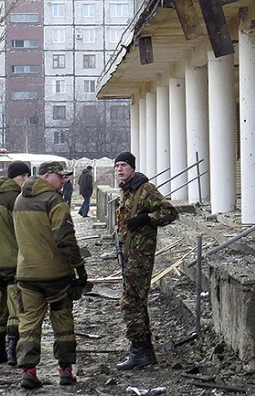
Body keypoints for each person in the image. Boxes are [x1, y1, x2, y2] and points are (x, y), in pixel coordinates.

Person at [13, 161, 89, 389]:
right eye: (61, 176)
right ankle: (65, 371)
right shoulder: (54, 202)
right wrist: (80, 268)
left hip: (27, 274)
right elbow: (65, 239)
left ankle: (28, 372)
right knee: (63, 322)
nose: (64, 180)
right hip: (56, 276)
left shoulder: (19, 199)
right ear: (46, 176)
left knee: (28, 324)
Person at [112, 151, 178, 369]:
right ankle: (143, 351)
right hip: (130, 254)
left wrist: (146, 218)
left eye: (123, 165)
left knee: (130, 303)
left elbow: (170, 212)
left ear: (132, 167)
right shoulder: (127, 191)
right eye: (117, 166)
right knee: (135, 302)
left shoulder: (145, 189)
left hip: (141, 255)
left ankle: (141, 350)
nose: (119, 169)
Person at [0, 160, 31, 366]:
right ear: (17, 177)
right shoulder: (17, 199)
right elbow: (23, 231)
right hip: (13, 261)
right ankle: (13, 352)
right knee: (15, 308)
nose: (27, 180)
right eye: (24, 176)